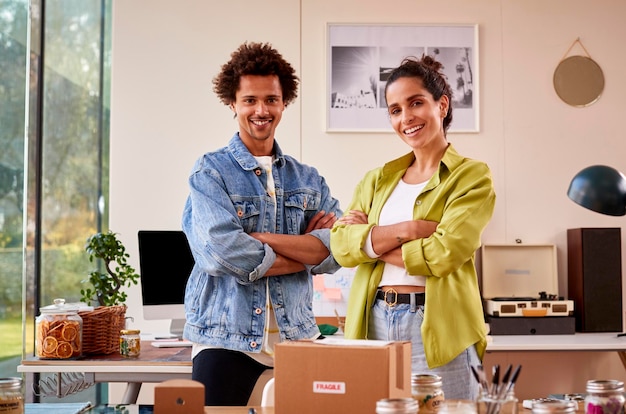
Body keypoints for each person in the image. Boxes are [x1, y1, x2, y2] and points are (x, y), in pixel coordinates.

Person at [182, 42, 342, 406]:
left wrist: (263, 238)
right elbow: (220, 253)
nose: (261, 110)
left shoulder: (309, 179)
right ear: (233, 103)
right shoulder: (210, 172)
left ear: (284, 102)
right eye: (250, 100)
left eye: (271, 99)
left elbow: (336, 250)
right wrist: (303, 250)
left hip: (298, 338)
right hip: (224, 340)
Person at [330, 54, 495, 400]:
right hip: (372, 320)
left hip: (436, 327)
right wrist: (411, 228)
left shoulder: (471, 177)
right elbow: (342, 247)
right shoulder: (376, 180)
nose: (406, 117)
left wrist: (371, 245)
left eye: (416, 103)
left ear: (442, 105)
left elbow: (444, 254)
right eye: (395, 110)